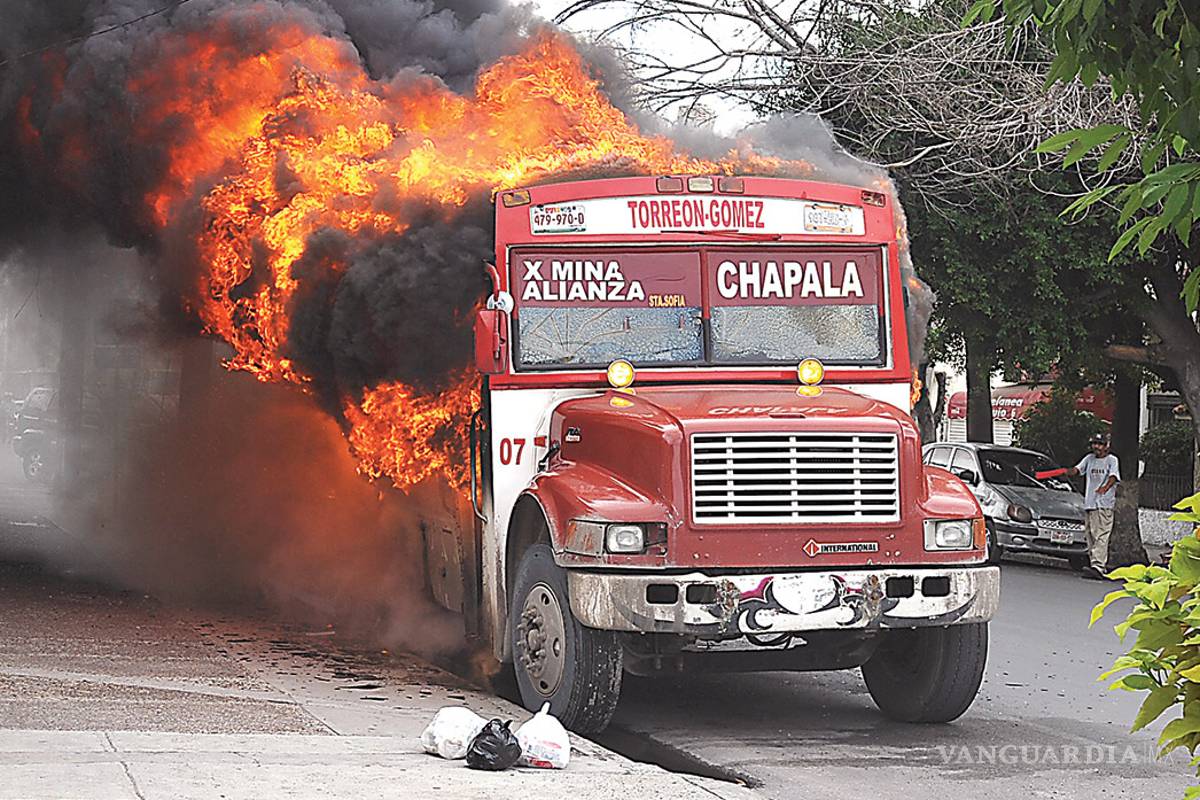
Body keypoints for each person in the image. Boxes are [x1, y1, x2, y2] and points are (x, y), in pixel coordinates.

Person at [1066, 433, 1120, 580]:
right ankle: (1094, 564)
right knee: (1090, 535)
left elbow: (1113, 477)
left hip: (1103, 505)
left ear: (1106, 446)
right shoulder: (1089, 459)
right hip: (1090, 503)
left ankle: (1098, 566)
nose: (1096, 447)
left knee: (1101, 535)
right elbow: (1078, 470)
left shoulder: (1111, 460)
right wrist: (1068, 471)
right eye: (1094, 444)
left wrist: (1105, 488)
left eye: (1100, 444)